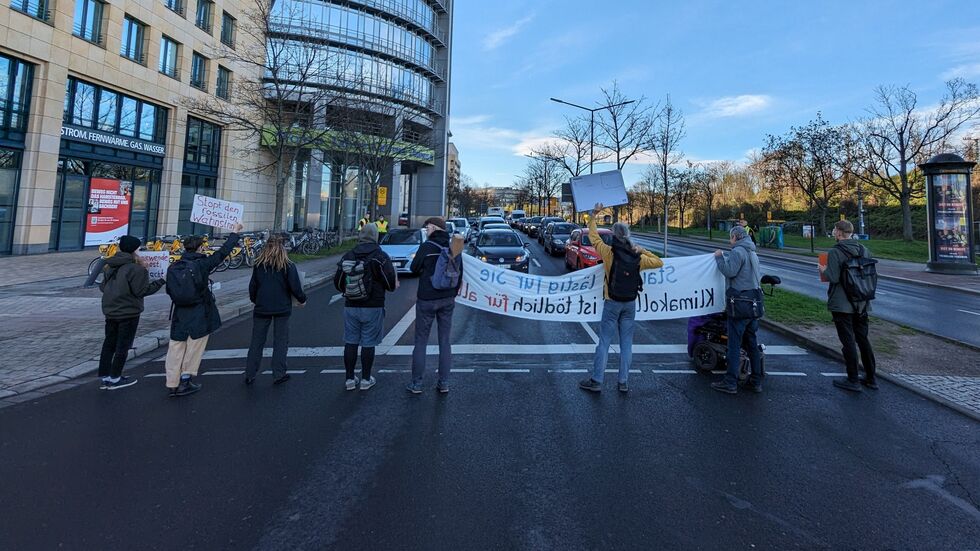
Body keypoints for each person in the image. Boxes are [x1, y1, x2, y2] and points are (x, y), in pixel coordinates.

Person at [579, 202, 663, 394]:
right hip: (630, 303)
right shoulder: (638, 257)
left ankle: (597, 380)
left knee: (604, 342)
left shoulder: (609, 253)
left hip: (612, 302)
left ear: (614, 235)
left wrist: (593, 215)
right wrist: (642, 250)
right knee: (626, 344)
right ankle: (623, 382)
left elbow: (593, 237)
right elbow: (658, 262)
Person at [164, 224, 243, 397]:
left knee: (176, 347)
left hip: (179, 311)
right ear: (200, 248)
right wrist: (235, 233)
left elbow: (169, 289)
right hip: (199, 310)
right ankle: (185, 380)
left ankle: (172, 382)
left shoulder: (174, 267)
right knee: (194, 346)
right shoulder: (202, 264)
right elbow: (222, 253)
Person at [334, 223, 397, 391]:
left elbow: (338, 282)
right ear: (375, 236)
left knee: (351, 341)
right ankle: (366, 379)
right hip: (373, 305)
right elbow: (390, 283)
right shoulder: (380, 256)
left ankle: (349, 379)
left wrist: (348, 290)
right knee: (368, 343)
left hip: (351, 304)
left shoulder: (349, 255)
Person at [97, 235, 165, 390]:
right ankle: (115, 378)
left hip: (110, 310)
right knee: (123, 345)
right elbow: (142, 291)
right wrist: (160, 280)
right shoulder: (136, 269)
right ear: (135, 249)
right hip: (128, 311)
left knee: (109, 343)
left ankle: (105, 376)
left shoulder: (111, 265)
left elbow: (102, 287)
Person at [407, 217, 464, 394]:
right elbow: (460, 272)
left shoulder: (426, 247)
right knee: (445, 341)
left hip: (427, 299)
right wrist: (453, 293)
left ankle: (416, 384)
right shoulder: (454, 246)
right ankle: (444, 383)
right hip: (447, 298)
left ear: (433, 228)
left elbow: (414, 268)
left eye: (427, 228)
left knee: (421, 341)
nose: (426, 231)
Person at [820, 219, 878, 392]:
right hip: (862, 302)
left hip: (842, 303)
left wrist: (823, 270)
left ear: (839, 232)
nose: (833, 232)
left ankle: (852, 379)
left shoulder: (835, 252)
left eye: (834, 230)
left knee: (848, 341)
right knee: (863, 339)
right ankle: (871, 377)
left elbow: (833, 277)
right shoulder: (863, 249)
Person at [244, 234, 307, 386]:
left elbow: (253, 287)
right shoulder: (288, 265)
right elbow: (295, 286)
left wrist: (256, 300)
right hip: (282, 308)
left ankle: (250, 374)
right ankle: (279, 374)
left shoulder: (259, 265)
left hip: (262, 308)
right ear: (283, 247)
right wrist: (302, 299)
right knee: (281, 341)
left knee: (257, 341)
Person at [710, 225, 764, 395]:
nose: (729, 240)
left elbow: (729, 272)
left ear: (735, 237)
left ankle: (730, 382)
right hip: (753, 303)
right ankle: (756, 381)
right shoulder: (752, 252)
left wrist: (719, 258)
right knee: (752, 344)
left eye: (730, 237)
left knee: (734, 344)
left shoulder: (737, 252)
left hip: (740, 304)